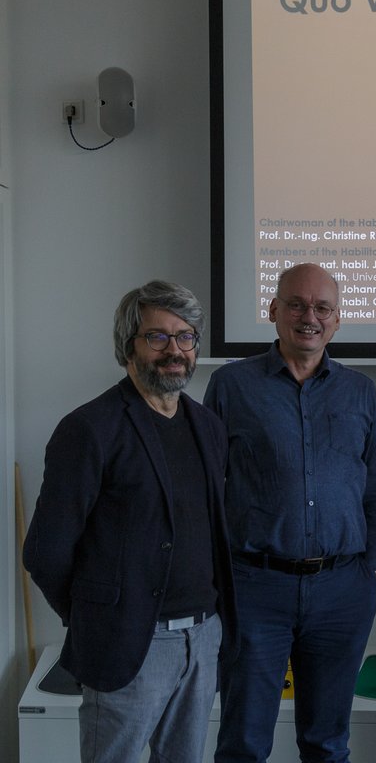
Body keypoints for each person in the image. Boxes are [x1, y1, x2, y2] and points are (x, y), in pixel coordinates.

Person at [23, 280, 236, 763]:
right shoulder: (89, 429)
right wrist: (96, 616)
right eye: (157, 337)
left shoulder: (208, 426)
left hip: (203, 637)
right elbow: (45, 553)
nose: (174, 350)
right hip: (130, 641)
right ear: (128, 346)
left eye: (185, 337)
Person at [205, 262, 376, 763]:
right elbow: (206, 487)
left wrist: (373, 562)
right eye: (297, 305)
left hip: (343, 591)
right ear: (273, 311)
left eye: (322, 308)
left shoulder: (360, 391)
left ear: (337, 319)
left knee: (327, 744)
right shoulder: (231, 386)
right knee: (243, 744)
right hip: (255, 590)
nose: (310, 317)